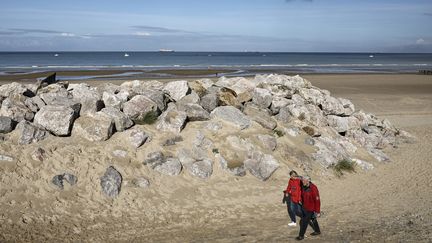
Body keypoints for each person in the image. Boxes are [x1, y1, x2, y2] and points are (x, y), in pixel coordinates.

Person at [296, 176, 321, 241]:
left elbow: (317, 200)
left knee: (304, 222)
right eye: (302, 181)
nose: (303, 182)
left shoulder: (313, 188)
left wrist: (317, 212)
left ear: (308, 181)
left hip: (311, 208)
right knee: (313, 219)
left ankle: (301, 236)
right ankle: (318, 231)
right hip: (305, 207)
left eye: (304, 181)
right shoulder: (303, 186)